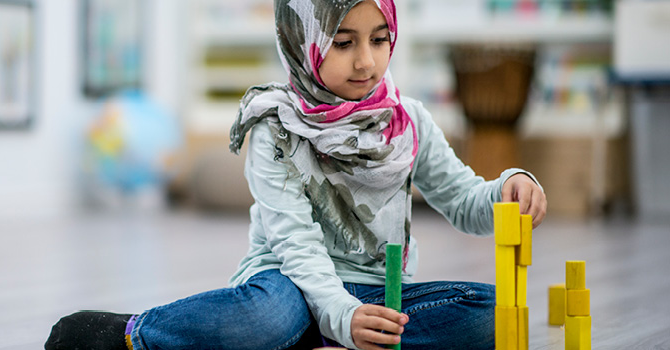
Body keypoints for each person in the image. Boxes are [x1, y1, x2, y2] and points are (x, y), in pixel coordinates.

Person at [45, 0, 547, 349]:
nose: (367, 61)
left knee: (493, 313)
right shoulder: (276, 127)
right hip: (287, 285)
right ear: (301, 40)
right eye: (343, 42)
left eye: (379, 38)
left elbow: (462, 200)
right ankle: (136, 334)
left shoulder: (407, 121)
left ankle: (330, 343)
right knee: (268, 320)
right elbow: (297, 246)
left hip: (373, 291)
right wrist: (341, 317)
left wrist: (507, 189)